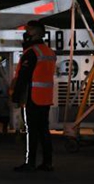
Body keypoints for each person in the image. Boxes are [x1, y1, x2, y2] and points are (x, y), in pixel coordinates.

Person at [11, 20, 56, 172]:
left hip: (33, 97)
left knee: (32, 132)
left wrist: (16, 98)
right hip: (45, 98)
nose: (26, 33)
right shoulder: (48, 51)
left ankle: (30, 163)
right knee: (44, 130)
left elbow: (23, 77)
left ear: (35, 32)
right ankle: (47, 162)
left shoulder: (32, 53)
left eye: (29, 30)